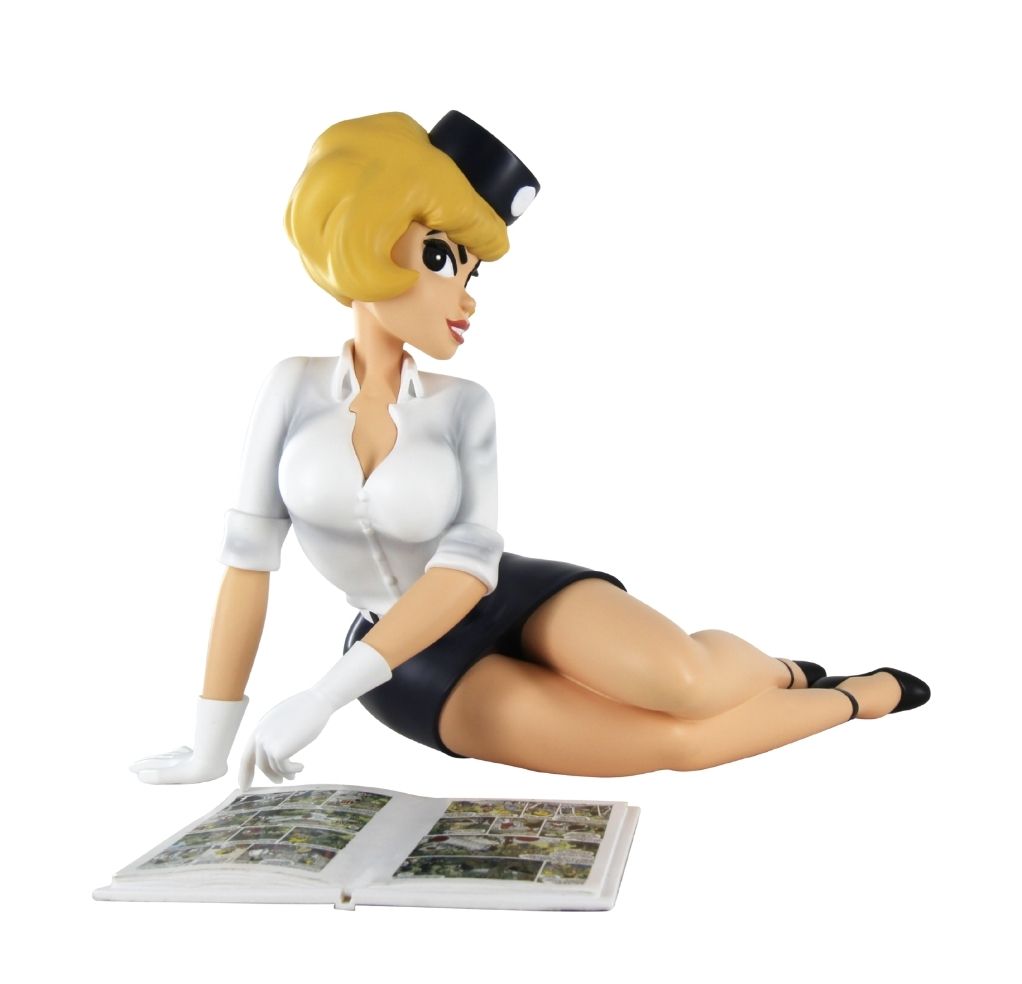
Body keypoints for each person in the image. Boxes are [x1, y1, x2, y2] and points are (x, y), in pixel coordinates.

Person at [130, 110, 929, 789]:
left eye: (472, 272)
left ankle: (790, 674)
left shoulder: (464, 405)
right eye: (442, 258)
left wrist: (322, 695)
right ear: (362, 240)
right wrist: (209, 746)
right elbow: (247, 566)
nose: (466, 297)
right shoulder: (291, 387)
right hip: (406, 667)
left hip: (506, 592)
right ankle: (849, 701)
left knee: (686, 682)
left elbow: (466, 568)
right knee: (676, 744)